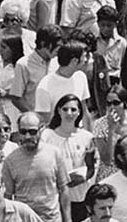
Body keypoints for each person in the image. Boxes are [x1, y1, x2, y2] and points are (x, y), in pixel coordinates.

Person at [1, 112, 71, 222]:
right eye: (23, 132)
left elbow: (64, 189)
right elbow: (8, 197)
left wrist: (68, 219)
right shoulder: (10, 161)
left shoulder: (55, 154)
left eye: (32, 131)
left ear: (41, 129)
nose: (27, 136)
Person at [40, 94, 97, 222]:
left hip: (81, 197)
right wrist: (63, 182)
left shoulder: (86, 137)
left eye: (73, 109)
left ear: (79, 113)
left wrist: (80, 178)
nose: (69, 113)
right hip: (56, 197)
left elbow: (92, 167)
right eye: (65, 109)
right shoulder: (47, 136)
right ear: (59, 110)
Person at [93, 85, 127, 182]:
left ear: (125, 103)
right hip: (109, 176)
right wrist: (111, 130)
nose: (112, 107)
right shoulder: (99, 124)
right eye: (108, 103)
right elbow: (107, 160)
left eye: (116, 103)